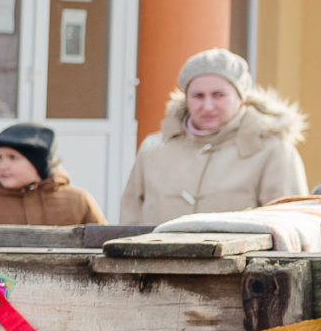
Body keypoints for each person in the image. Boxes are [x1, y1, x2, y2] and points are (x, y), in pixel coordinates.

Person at [117, 49, 308, 224]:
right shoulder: (153, 150)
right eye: (198, 96)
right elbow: (129, 218)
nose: (208, 106)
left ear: (240, 98)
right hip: (155, 261)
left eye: (219, 95)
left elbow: (289, 225)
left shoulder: (273, 150)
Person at [0, 122, 105, 225]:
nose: (2, 166)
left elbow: (103, 249)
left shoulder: (79, 201)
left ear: (38, 164)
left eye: (13, 158)